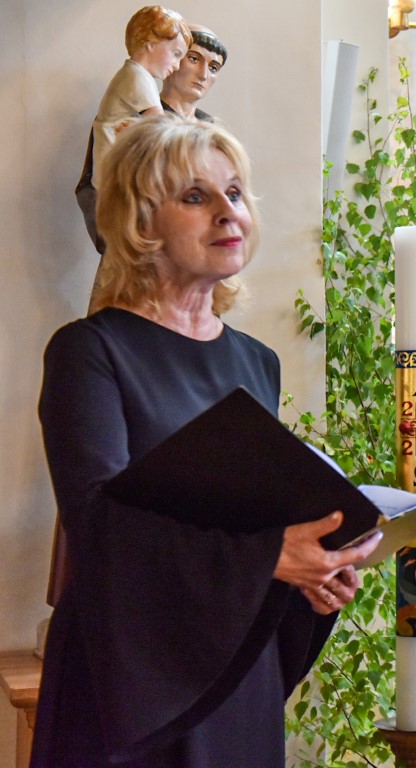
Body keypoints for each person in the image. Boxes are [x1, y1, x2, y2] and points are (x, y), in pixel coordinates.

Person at [34, 114, 381, 767]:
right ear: (141, 222)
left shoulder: (256, 361)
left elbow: (248, 518)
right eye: (196, 196)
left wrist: (307, 575)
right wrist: (270, 559)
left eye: (236, 193)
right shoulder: (90, 351)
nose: (229, 212)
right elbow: (99, 528)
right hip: (127, 679)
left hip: (232, 672)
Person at [77, 6, 191, 254]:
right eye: (175, 54)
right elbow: (161, 126)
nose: (176, 66)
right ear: (151, 43)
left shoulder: (135, 75)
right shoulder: (137, 77)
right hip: (115, 175)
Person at [160, 25, 228, 120]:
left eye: (213, 68)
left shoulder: (211, 126)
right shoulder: (144, 116)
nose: (203, 75)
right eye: (194, 59)